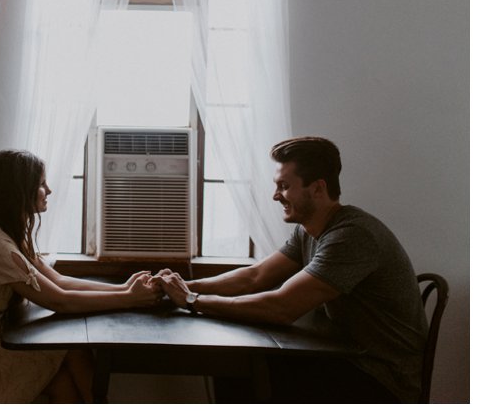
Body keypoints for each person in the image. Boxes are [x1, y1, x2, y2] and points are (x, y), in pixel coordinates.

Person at [156, 136, 428, 403]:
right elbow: (255, 276)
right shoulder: (308, 230)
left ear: (318, 189)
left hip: (381, 379)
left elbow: (282, 307)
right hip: (344, 357)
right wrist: (185, 286)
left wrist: (193, 301)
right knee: (236, 364)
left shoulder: (352, 236)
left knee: (241, 368)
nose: (276, 196)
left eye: (284, 186)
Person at [0, 149, 161, 404]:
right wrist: (131, 299)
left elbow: (59, 282)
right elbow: (59, 300)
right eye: (41, 184)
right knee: (69, 349)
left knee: (60, 375)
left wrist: (124, 289)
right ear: (19, 190)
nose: (49, 190)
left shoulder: (7, 235)